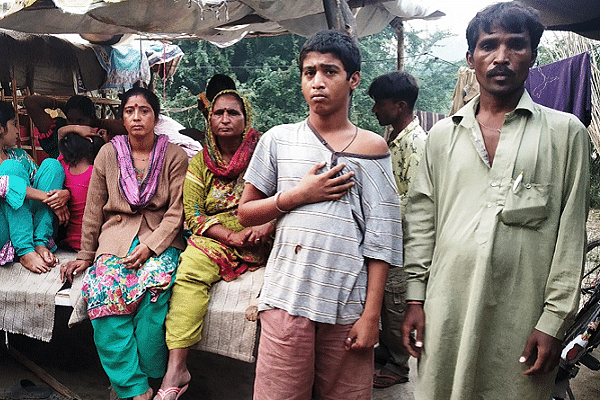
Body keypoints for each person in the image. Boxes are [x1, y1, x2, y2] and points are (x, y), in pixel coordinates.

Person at [400, 3, 590, 399]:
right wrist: (415, 298)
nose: (501, 57)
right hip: (445, 309)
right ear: (471, 58)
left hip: (521, 318)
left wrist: (554, 321)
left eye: (516, 45)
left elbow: (570, 237)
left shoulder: (565, 134)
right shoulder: (441, 137)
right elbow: (421, 223)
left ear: (533, 54)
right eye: (489, 45)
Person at [237, 30, 403, 400]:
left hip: (347, 306)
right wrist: (297, 195)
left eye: (330, 71)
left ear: (353, 79)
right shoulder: (279, 139)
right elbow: (246, 213)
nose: (318, 82)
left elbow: (383, 238)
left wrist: (371, 317)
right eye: (309, 72)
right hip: (286, 299)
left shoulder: (372, 148)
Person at [60, 87, 188, 400]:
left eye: (144, 110)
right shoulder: (107, 153)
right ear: (122, 117)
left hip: (160, 241)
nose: (136, 117)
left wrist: (152, 246)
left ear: (155, 117)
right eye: (129, 111)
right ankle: (136, 389)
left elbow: (176, 213)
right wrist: (86, 255)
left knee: (153, 299)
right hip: (115, 239)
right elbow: (94, 207)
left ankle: (147, 376)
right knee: (103, 296)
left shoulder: (175, 155)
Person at [154, 89, 273, 400]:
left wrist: (266, 225)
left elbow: (283, 197)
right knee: (189, 273)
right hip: (217, 238)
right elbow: (192, 214)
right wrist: (229, 236)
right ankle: (176, 368)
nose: (224, 119)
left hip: (260, 234)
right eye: (218, 113)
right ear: (209, 119)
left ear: (246, 119)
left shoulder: (265, 153)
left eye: (233, 113)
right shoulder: (200, 163)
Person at [368, 71, 426, 387]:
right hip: (391, 238)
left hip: (405, 243)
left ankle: (399, 364)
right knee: (385, 301)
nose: (375, 110)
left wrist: (376, 211)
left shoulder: (415, 144)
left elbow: (415, 199)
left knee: (395, 304)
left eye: (380, 104)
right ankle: (388, 351)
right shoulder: (397, 139)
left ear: (400, 105)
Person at [0, 101, 66, 273]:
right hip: (4, 233)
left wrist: (61, 196)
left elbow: (43, 184)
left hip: (30, 228)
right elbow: (6, 186)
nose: (17, 131)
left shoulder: (19, 155)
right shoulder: (12, 164)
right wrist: (47, 197)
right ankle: (25, 250)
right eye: (13, 125)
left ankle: (40, 242)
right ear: (0, 128)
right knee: (10, 169)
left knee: (52, 166)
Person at [23, 94, 126, 158]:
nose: (75, 125)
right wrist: (60, 104)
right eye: (70, 120)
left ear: (91, 120)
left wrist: (98, 122)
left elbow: (127, 128)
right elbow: (30, 102)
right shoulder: (57, 132)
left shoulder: (98, 136)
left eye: (80, 120)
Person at [57, 132, 105, 250]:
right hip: (90, 242)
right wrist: (103, 142)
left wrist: (76, 129)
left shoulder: (65, 169)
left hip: (69, 240)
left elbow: (60, 134)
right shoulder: (95, 173)